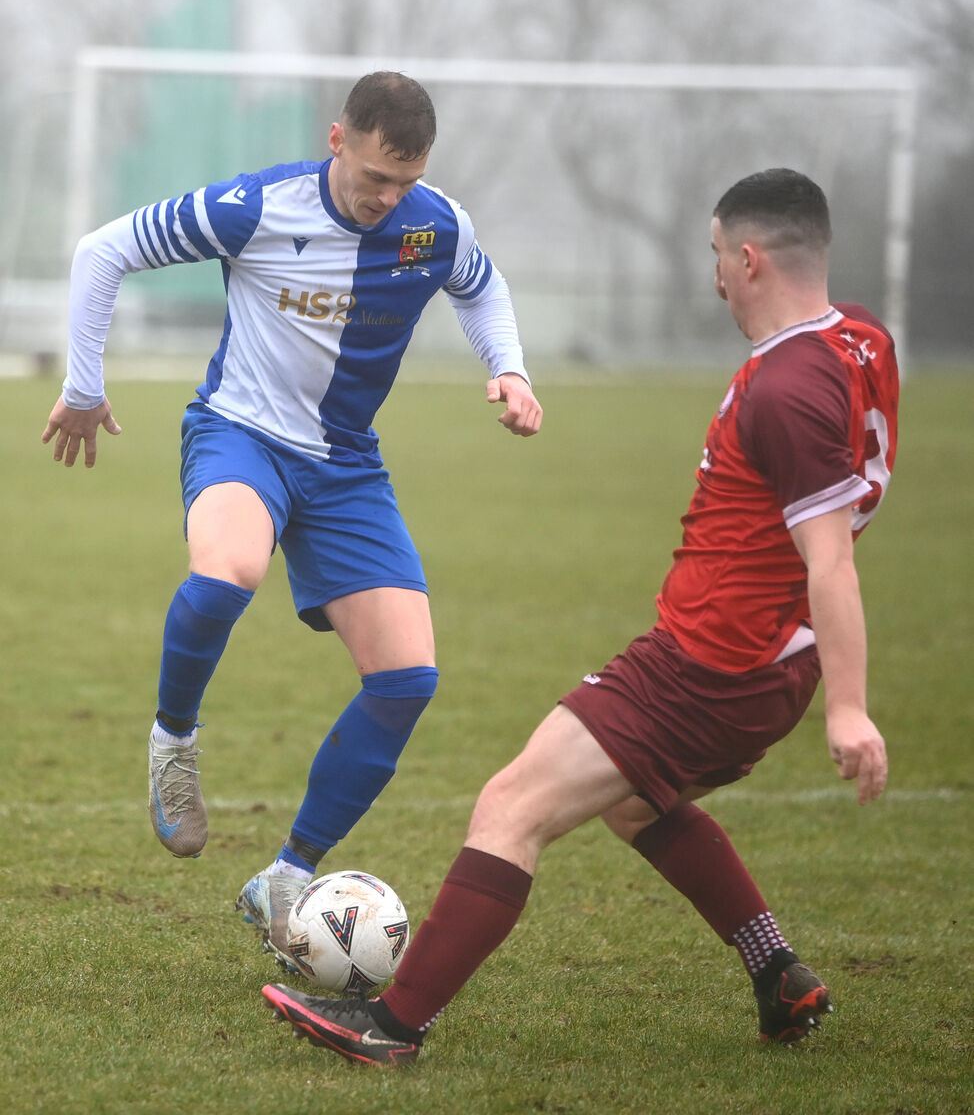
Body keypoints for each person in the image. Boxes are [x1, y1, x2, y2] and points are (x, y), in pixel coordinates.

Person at [261, 167, 898, 1065]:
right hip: (770, 657)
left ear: (749, 258)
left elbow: (829, 555)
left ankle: (393, 1027)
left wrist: (851, 708)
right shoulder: (863, 341)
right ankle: (777, 973)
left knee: (510, 806)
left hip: (712, 661)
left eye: (718, 255)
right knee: (639, 806)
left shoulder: (784, 389)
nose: (715, 275)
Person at [41, 71, 543, 967]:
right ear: (337, 137)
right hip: (240, 436)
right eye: (376, 177)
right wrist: (83, 386)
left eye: (406, 181)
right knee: (228, 571)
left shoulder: (434, 223)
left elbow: (483, 285)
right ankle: (174, 742)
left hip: (346, 464)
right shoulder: (255, 207)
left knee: (407, 678)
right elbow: (100, 251)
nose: (388, 200)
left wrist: (510, 368)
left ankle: (286, 873)